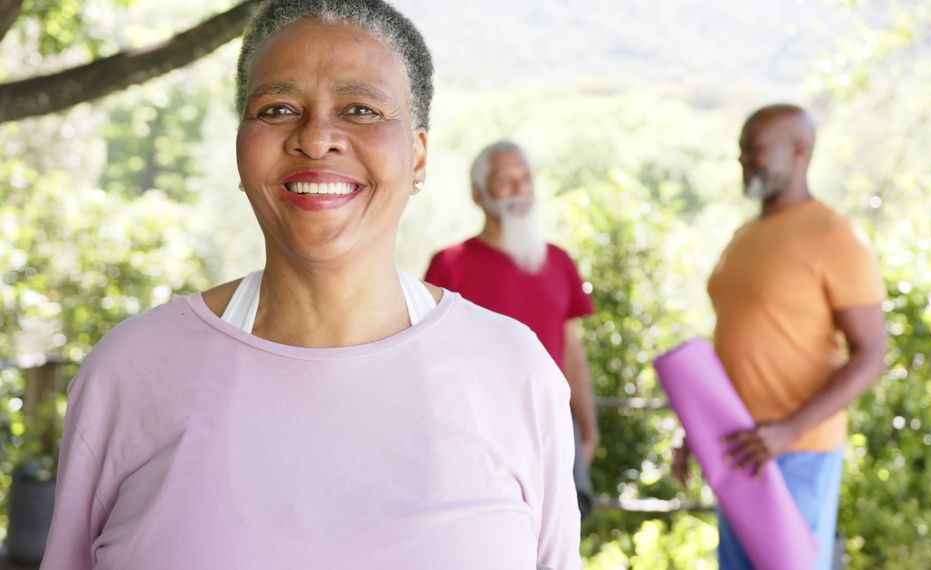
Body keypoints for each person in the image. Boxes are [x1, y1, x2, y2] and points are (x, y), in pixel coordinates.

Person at [41, 2, 581, 568]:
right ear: (241, 147)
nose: (317, 138)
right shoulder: (131, 372)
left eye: (361, 109)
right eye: (277, 108)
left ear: (418, 155)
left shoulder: (513, 371)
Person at [674, 104, 887, 569]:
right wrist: (699, 427)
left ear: (799, 150)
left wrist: (789, 430)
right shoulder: (745, 236)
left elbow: (873, 353)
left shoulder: (836, 235)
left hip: (799, 453)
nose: (744, 163)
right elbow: (739, 344)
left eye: (755, 151)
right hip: (737, 451)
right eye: (740, 153)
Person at [424, 141, 600, 517]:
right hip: (477, 435)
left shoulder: (558, 261)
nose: (520, 190)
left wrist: (586, 425)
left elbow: (572, 350)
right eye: (506, 181)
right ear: (478, 193)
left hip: (553, 428)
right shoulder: (450, 265)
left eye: (525, 179)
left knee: (558, 549)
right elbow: (428, 358)